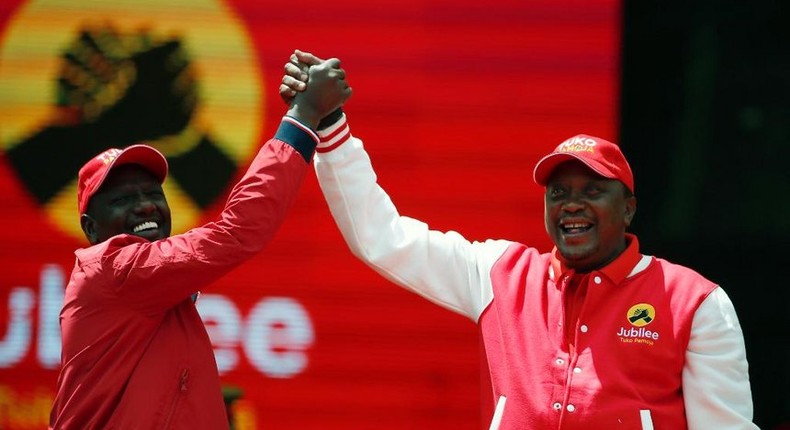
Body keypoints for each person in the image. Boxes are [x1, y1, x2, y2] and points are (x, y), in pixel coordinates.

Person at [281, 50, 757, 429]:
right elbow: (381, 238)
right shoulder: (501, 275)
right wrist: (328, 128)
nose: (571, 204)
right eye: (559, 193)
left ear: (629, 208)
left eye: (593, 191)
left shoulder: (695, 302)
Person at [48, 57, 351, 429]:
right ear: (91, 229)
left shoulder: (158, 290)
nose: (146, 205)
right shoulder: (114, 269)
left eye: (153, 193)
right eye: (122, 199)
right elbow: (239, 231)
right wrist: (303, 118)